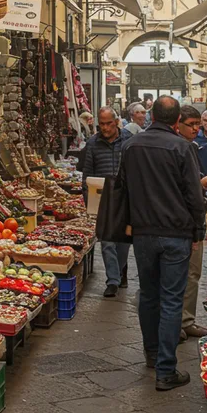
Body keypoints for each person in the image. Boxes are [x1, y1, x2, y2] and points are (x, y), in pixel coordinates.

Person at [115, 96, 207, 391]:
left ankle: (152, 353)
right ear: (175, 120)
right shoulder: (181, 147)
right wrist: (197, 229)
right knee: (171, 299)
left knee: (148, 295)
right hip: (176, 233)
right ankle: (166, 369)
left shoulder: (131, 145)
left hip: (144, 233)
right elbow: (195, 197)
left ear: (151, 116)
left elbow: (122, 186)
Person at [80, 107, 134, 297]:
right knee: (107, 241)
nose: (104, 128)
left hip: (125, 196)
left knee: (124, 240)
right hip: (103, 197)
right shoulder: (93, 143)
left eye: (108, 123)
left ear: (116, 122)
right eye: (101, 124)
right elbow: (87, 173)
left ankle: (121, 270)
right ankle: (112, 280)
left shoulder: (128, 139)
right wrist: (89, 202)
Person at [175, 105, 207, 340]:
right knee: (183, 273)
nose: (195, 129)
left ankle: (185, 320)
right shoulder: (180, 148)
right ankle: (178, 323)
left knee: (191, 273)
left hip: (187, 220)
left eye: (197, 125)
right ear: (177, 124)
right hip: (183, 221)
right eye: (191, 125)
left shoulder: (192, 147)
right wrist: (200, 185)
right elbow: (182, 188)